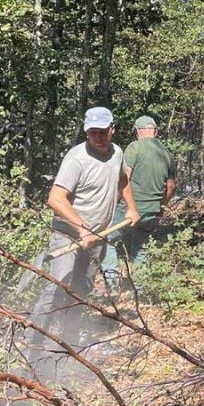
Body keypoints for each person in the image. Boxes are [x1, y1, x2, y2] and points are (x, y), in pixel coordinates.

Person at [32, 106, 141, 344]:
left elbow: (123, 181)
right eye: (93, 133)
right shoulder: (76, 159)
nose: (98, 137)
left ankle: (69, 343)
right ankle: (35, 341)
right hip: (69, 234)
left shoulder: (117, 154)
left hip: (97, 234)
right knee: (58, 286)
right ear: (86, 132)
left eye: (102, 131)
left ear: (112, 129)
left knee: (83, 288)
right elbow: (55, 198)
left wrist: (132, 208)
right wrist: (82, 229)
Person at [102, 115, 177, 289]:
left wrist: (115, 202)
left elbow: (124, 177)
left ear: (137, 131)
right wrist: (161, 206)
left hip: (129, 208)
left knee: (108, 240)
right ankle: (141, 289)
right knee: (140, 248)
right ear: (155, 131)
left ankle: (112, 286)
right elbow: (171, 186)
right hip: (151, 210)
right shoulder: (166, 154)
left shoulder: (134, 148)